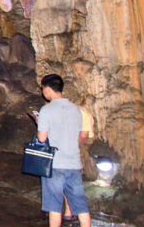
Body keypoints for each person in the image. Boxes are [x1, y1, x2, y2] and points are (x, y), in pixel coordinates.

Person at [37, 74, 92, 227]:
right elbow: (78, 135)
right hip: (74, 164)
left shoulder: (46, 110)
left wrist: (40, 123)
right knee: (81, 206)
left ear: (48, 89)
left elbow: (42, 138)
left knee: (54, 205)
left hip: (54, 165)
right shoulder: (76, 110)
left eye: (43, 89)